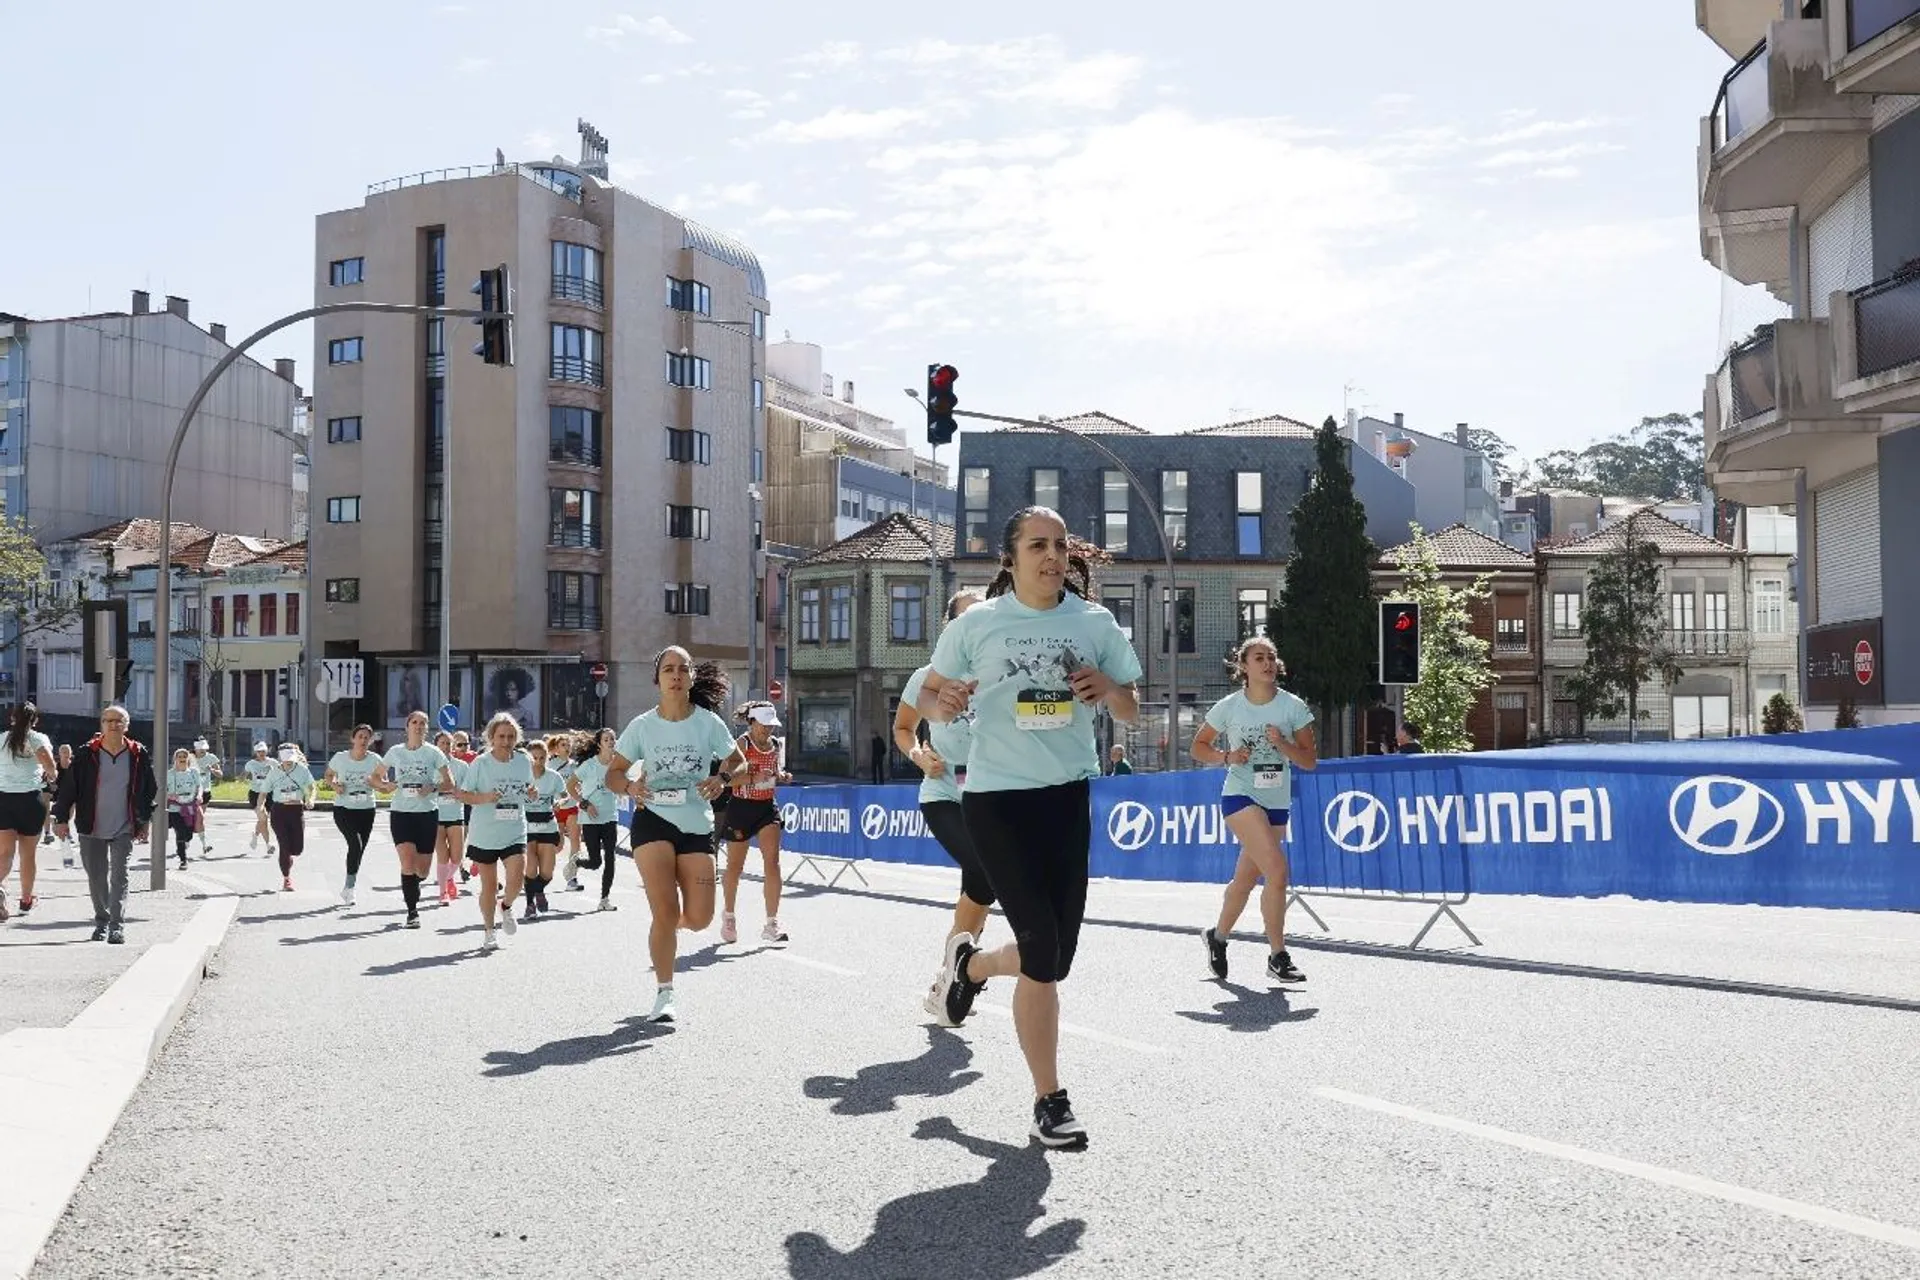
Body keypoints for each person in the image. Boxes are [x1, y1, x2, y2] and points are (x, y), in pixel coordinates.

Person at [921, 507, 1141, 1150]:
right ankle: (1049, 1100)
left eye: (1060, 546)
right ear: (1010, 558)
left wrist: (1108, 689)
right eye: (1038, 545)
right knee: (1040, 944)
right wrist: (947, 702)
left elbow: (1130, 705)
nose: (1052, 556)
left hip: (1066, 797)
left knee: (1056, 958)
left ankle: (974, 968)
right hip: (996, 800)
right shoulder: (979, 625)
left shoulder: (1094, 622)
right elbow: (929, 697)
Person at [607, 648, 744, 1024]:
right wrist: (630, 786)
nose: (676, 675)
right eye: (668, 669)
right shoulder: (641, 726)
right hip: (652, 820)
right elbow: (614, 774)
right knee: (665, 910)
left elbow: (739, 762)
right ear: (658, 680)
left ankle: (667, 927)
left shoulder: (709, 723)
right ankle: (665, 992)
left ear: (692, 678)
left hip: (696, 824)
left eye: (683, 669)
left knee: (699, 918)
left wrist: (722, 779)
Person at [1191, 636, 1318, 986]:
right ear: (1243, 667)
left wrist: (1282, 744)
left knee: (1246, 880)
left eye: (1272, 657)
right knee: (1277, 871)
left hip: (1277, 800)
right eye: (1259, 657)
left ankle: (1217, 936)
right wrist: (1227, 757)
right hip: (1241, 795)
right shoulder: (1229, 707)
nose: (1267, 663)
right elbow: (1198, 747)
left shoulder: (1293, 707)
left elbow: (1309, 761)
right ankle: (1278, 955)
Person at [895, 589, 997, 1025]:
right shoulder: (928, 677)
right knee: (984, 870)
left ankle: (952, 977)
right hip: (943, 792)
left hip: (993, 794)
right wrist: (919, 755)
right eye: (964, 620)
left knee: (979, 888)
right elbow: (903, 728)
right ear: (949, 628)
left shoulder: (1001, 674)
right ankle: (955, 972)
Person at [51, 706, 157, 944]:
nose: (113, 725)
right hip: (91, 825)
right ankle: (101, 920)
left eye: (118, 721)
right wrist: (60, 818)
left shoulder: (137, 753)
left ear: (126, 725)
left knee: (120, 876)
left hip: (124, 825)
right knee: (97, 877)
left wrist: (144, 821)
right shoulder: (87, 753)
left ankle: (116, 926)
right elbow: (70, 789)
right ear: (101, 724)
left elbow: (149, 790)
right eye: (108, 720)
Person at [452, 712, 533, 953]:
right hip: (485, 833)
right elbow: (463, 794)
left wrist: (531, 793)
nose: (506, 741)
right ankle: (489, 930)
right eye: (501, 737)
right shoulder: (481, 763)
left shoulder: (523, 761)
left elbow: (528, 786)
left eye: (510, 736)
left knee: (517, 879)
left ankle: (506, 906)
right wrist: (485, 797)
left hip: (514, 829)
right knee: (489, 886)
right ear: (492, 738)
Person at [719, 701, 794, 945]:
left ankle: (771, 923)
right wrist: (752, 776)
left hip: (766, 808)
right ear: (752, 722)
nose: (768, 730)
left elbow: (775, 770)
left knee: (772, 862)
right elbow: (724, 780)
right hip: (741, 808)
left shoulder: (775, 745)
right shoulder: (741, 744)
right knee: (735, 867)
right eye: (763, 725)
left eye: (771, 726)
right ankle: (729, 916)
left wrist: (781, 776)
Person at [383, 712, 457, 928]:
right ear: (406, 727)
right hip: (401, 813)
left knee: (422, 870)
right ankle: (412, 911)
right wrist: (384, 785)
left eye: (423, 723)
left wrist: (433, 787)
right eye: (414, 722)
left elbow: (449, 782)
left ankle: (414, 883)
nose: (418, 726)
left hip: (426, 814)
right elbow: (375, 777)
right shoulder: (395, 752)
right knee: (407, 861)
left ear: (427, 729)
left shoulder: (433, 753)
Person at [0, 702, 57, 920]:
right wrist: (51, 774)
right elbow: (48, 763)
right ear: (35, 721)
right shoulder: (38, 739)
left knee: (4, 853)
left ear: (12, 718)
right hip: (30, 800)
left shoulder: (2, 739)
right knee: (28, 855)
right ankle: (25, 901)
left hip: (3, 799)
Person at [323, 725, 385, 908]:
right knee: (355, 844)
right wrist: (335, 786)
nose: (363, 740)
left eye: (367, 737)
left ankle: (349, 886)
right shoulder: (341, 758)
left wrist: (380, 785)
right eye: (360, 737)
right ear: (353, 739)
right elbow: (328, 775)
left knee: (359, 850)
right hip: (344, 808)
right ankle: (350, 889)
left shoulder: (375, 760)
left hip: (366, 809)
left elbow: (382, 782)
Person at [567, 728, 621, 912]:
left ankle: (604, 899)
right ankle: (577, 862)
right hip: (590, 818)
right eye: (607, 739)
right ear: (599, 744)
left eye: (613, 738)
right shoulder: (589, 765)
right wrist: (584, 803)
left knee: (611, 858)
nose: (611, 742)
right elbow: (570, 785)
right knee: (595, 862)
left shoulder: (618, 764)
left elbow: (624, 784)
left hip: (610, 816)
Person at [519, 737, 568, 921]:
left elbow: (564, 796)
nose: (538, 762)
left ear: (546, 758)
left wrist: (559, 802)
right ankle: (530, 905)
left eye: (541, 758)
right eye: (534, 758)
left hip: (548, 824)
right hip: (526, 825)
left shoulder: (554, 777)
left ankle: (538, 890)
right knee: (530, 868)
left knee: (547, 873)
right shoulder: (521, 777)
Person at [266, 745, 316, 891]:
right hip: (279, 811)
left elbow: (312, 787)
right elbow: (264, 792)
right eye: (285, 759)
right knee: (284, 845)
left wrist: (310, 799)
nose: (288, 762)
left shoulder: (302, 770)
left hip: (296, 810)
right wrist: (260, 807)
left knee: (297, 849)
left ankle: (288, 858)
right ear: (280, 758)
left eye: (290, 759)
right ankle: (286, 878)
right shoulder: (274, 772)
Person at [432, 730, 468, 903]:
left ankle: (447, 878)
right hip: (435, 816)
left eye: (448, 743)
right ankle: (442, 892)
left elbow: (469, 789)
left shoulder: (461, 766)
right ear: (436, 746)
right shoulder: (430, 765)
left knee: (457, 858)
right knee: (443, 857)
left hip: (455, 815)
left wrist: (459, 792)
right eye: (442, 743)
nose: (446, 746)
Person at [164, 748, 205, 871]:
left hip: (190, 805)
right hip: (175, 806)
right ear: (175, 759)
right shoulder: (170, 773)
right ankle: (183, 860)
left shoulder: (193, 772)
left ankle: (184, 843)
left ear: (188, 759)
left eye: (184, 756)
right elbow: (163, 789)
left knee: (189, 832)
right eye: (179, 756)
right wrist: (169, 795)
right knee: (180, 832)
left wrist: (199, 796)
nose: (182, 759)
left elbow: (199, 786)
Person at [188, 737, 221, 857]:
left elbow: (220, 774)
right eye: (200, 749)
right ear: (195, 749)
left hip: (205, 792)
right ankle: (201, 844)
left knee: (198, 820)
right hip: (191, 793)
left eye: (204, 749)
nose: (202, 751)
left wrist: (212, 770)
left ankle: (196, 843)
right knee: (198, 818)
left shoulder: (211, 757)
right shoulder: (188, 757)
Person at [243, 741, 277, 858]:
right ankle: (268, 845)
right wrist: (244, 778)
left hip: (270, 794)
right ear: (255, 752)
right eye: (259, 751)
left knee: (263, 819)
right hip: (255, 794)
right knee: (264, 818)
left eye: (263, 751)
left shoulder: (273, 762)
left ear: (267, 751)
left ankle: (255, 835)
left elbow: (281, 774)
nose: (261, 753)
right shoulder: (251, 764)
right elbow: (244, 775)